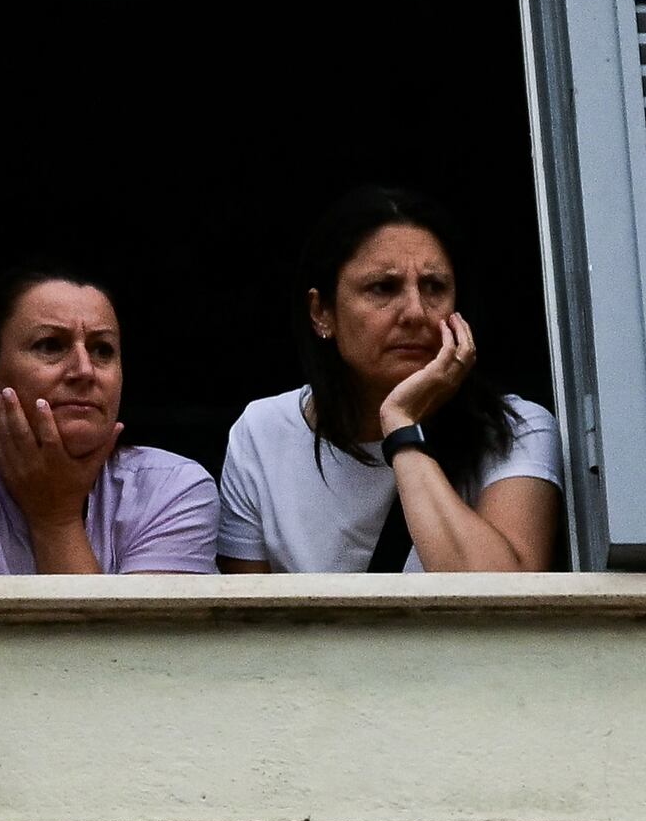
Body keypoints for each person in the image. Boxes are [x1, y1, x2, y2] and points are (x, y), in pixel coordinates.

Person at [216, 186, 566, 575]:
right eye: (383, 287)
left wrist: (401, 425)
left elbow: (506, 600)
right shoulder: (262, 435)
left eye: (434, 287)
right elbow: (249, 626)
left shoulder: (517, 429)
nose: (415, 312)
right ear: (322, 313)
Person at [0, 264, 218, 576]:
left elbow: (117, 632)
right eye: (51, 345)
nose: (84, 370)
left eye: (102, 350)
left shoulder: (173, 489)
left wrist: (56, 518)